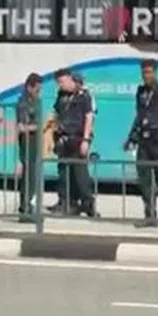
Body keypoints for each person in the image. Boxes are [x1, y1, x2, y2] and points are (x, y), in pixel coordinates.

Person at [126, 59, 158, 227]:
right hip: (144, 141)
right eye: (143, 72)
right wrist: (130, 137)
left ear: (155, 73)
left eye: (149, 72)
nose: (146, 76)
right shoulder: (140, 92)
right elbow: (139, 115)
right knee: (145, 181)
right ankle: (150, 216)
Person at [49, 69, 96, 217]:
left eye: (62, 82)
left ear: (71, 80)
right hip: (63, 138)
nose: (60, 85)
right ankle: (66, 202)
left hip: (78, 138)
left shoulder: (84, 96)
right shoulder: (61, 96)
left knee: (80, 173)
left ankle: (88, 204)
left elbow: (89, 117)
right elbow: (56, 113)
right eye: (58, 83)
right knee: (63, 172)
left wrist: (86, 140)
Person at [16, 73, 42, 219]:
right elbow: (21, 127)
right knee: (28, 178)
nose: (39, 92)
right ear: (29, 87)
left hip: (35, 144)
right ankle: (25, 208)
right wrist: (38, 127)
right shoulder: (24, 103)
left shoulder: (36, 100)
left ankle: (29, 206)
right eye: (37, 89)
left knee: (33, 178)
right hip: (27, 144)